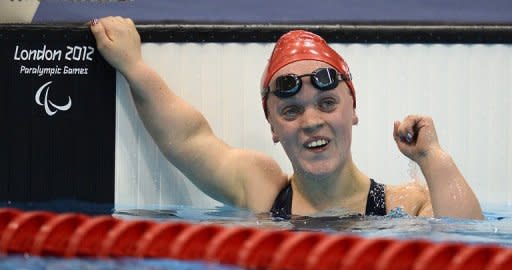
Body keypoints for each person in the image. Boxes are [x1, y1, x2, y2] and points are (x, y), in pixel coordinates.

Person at [90, 16, 483, 220]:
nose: (311, 121)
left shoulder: (405, 202)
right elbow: (189, 139)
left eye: (327, 104)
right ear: (274, 128)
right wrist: (134, 67)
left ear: (354, 110)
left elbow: (470, 246)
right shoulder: (261, 189)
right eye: (291, 111)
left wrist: (432, 157)